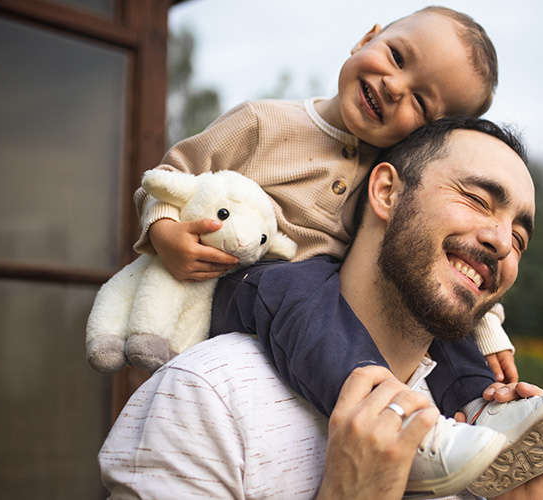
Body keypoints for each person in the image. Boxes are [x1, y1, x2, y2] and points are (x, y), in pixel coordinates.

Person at [99, 117, 543, 499]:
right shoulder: (208, 395)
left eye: (521, 238)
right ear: (386, 192)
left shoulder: (472, 438)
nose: (504, 243)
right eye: (477, 199)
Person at [132, 6, 519, 385]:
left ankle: (480, 402)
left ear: (425, 136)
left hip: (327, 308)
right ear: (366, 39)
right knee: (298, 288)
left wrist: (486, 330)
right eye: (397, 57)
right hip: (241, 284)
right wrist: (164, 233)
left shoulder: (394, 177)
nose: (395, 86)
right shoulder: (261, 122)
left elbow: (434, 254)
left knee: (424, 300)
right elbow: (169, 175)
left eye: (420, 101)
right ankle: (371, 401)